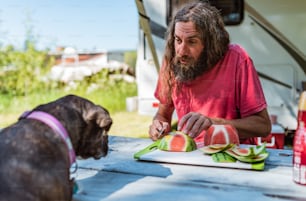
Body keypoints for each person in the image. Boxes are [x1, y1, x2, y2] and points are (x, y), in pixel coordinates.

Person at [148, 2, 271, 147]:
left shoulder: (237, 59)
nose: (181, 51)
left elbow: (263, 126)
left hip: (232, 155)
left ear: (210, 42)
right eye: (178, 40)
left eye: (192, 42)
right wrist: (158, 125)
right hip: (190, 154)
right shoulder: (172, 61)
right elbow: (163, 114)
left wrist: (215, 123)